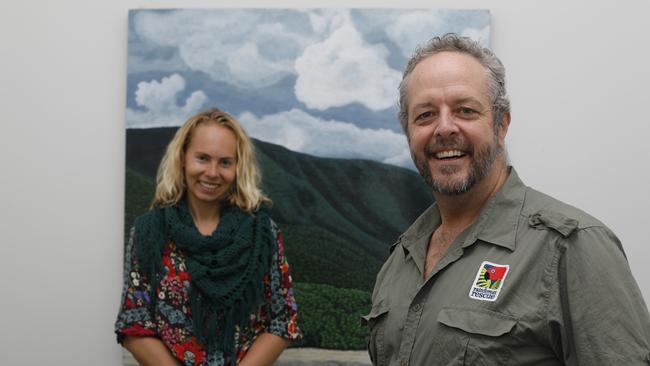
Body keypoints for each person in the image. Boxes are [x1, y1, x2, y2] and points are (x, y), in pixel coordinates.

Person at [364, 33, 650, 365]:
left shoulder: (571, 247)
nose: (443, 128)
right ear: (408, 130)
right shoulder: (401, 258)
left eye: (465, 110)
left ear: (501, 124)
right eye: (425, 115)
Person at [115, 108, 300, 366]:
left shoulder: (262, 232)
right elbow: (134, 322)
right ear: (183, 158)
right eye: (202, 158)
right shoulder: (149, 232)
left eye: (225, 162)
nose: (212, 173)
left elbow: (283, 319)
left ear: (238, 167)